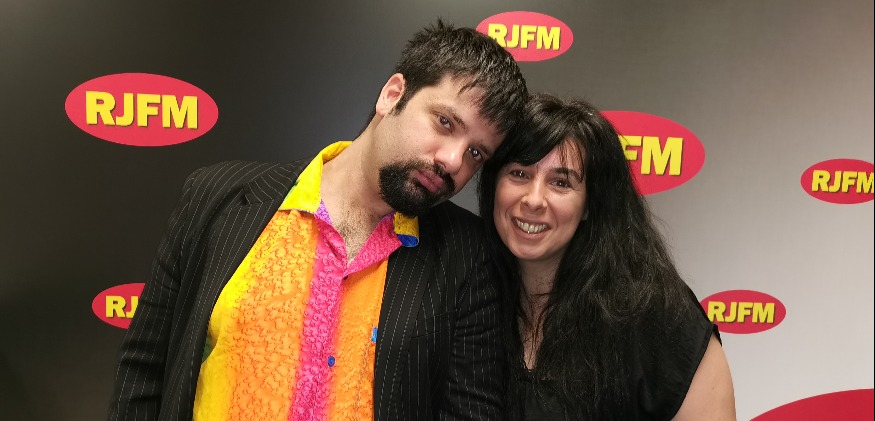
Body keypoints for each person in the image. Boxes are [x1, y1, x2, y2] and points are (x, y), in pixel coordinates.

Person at [107, 20, 527, 421]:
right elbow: (145, 371)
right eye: (445, 122)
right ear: (392, 95)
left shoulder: (466, 255)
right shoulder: (216, 198)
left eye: (476, 152)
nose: (452, 160)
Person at [478, 93, 736, 420]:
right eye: (519, 174)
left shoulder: (657, 314)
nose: (534, 199)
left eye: (560, 182)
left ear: (589, 205)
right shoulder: (470, 294)